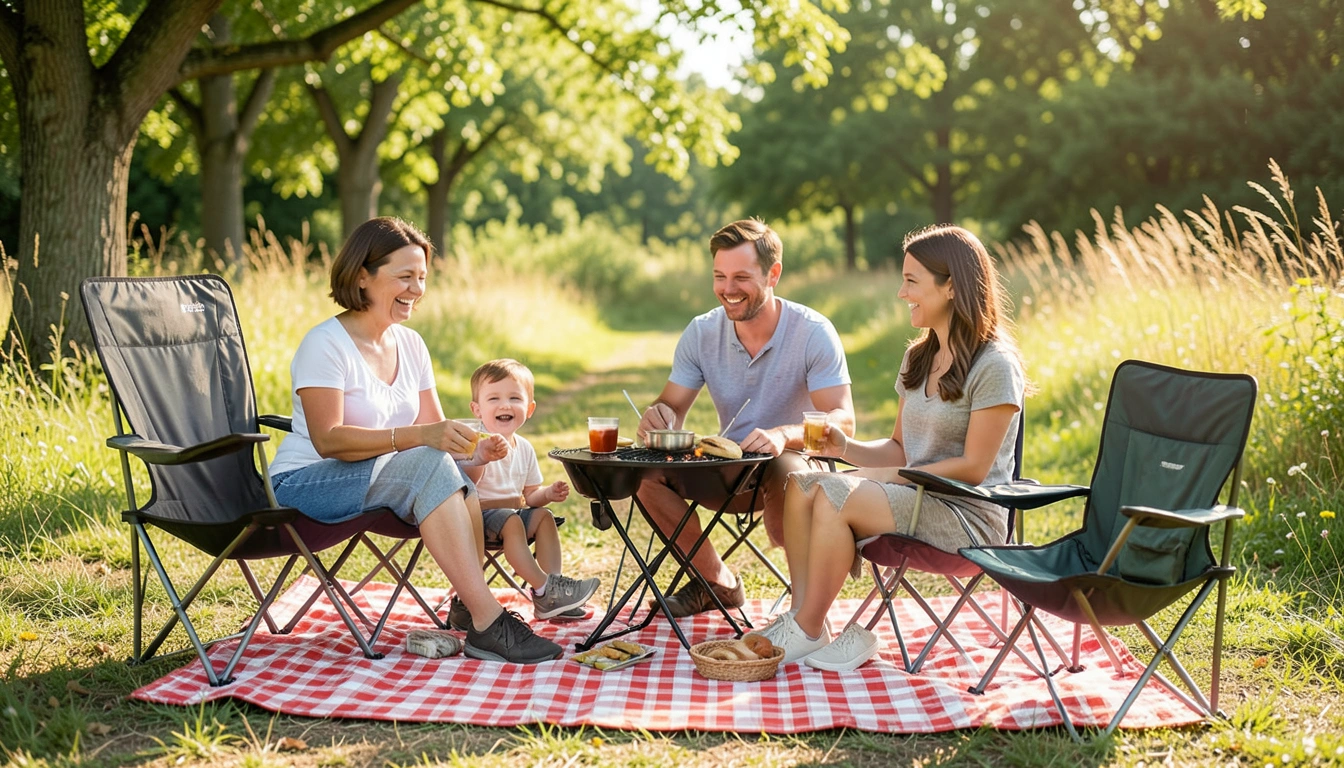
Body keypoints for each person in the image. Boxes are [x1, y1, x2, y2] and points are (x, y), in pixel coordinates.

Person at [267, 217, 562, 664]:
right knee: (427, 462)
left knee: (439, 465)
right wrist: (423, 437)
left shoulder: (411, 345)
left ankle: (470, 608)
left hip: (382, 482)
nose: (417, 289)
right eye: (405, 276)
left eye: (422, 277)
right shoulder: (324, 344)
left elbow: (440, 440)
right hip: (305, 485)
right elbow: (329, 440)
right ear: (361, 276)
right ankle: (489, 621)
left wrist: (475, 452)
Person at [757, 224, 1027, 670]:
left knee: (832, 493)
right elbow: (900, 448)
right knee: (803, 483)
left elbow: (975, 467)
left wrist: (894, 477)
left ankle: (806, 625)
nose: (902, 293)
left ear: (952, 286)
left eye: (912, 281)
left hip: (966, 515)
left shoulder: (995, 364)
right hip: (912, 497)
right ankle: (805, 621)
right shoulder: (918, 357)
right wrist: (845, 447)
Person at [635, 218, 856, 618]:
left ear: (774, 274)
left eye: (741, 277)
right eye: (719, 276)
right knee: (647, 478)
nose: (728, 289)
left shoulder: (812, 332)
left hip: (796, 468)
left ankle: (804, 615)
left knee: (787, 469)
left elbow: (844, 420)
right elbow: (672, 406)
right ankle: (717, 582)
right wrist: (659, 415)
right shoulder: (701, 332)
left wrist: (783, 434)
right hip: (729, 470)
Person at [446, 359, 600, 629]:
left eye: (514, 398)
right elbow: (465, 483)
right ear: (477, 409)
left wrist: (547, 493)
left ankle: (552, 595)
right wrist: (482, 457)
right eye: (494, 398)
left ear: (529, 409)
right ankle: (543, 587)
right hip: (476, 518)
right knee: (513, 520)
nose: (505, 405)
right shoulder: (475, 442)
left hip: (511, 514)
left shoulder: (525, 448)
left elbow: (530, 497)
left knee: (543, 517)